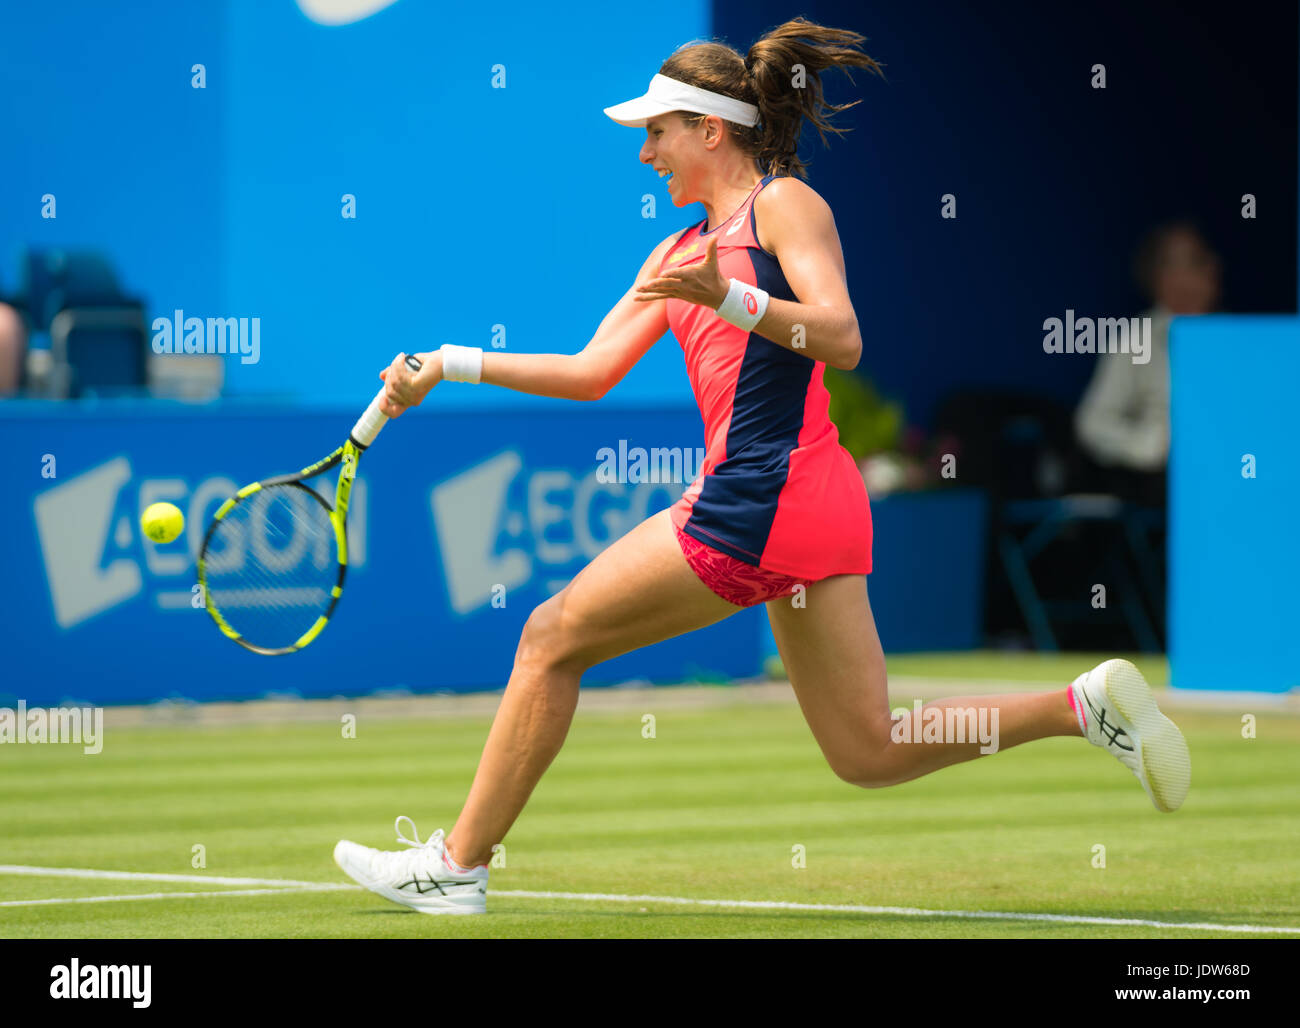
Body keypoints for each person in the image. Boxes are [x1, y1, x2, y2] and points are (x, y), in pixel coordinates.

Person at [333, 18, 1191, 915]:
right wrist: (453, 361)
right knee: (868, 750)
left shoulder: (783, 206)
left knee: (550, 637)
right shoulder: (670, 256)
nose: (645, 156)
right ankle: (1079, 709)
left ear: (711, 129)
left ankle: (457, 865)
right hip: (807, 509)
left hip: (765, 496)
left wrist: (735, 296)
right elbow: (590, 372)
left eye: (656, 133)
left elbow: (845, 336)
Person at [1075, 221, 1222, 508]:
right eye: (1197, 260)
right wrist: (1151, 448)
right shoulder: (1137, 338)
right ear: (1163, 277)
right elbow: (1092, 423)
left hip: (1226, 467)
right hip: (1164, 482)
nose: (1213, 267)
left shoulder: (1236, 339)